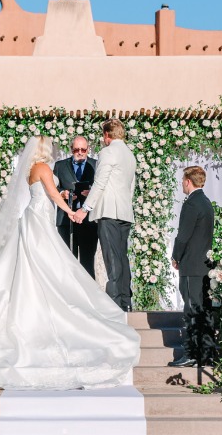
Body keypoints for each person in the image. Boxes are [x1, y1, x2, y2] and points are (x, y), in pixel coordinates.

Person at [0, 136, 141, 390]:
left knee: (38, 267)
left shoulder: (32, 170)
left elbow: (49, 192)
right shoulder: (44, 168)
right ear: (44, 150)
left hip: (36, 219)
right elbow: (51, 194)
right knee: (52, 267)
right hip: (39, 221)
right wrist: (70, 210)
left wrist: (62, 197)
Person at [82, 119, 136, 311]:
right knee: (122, 256)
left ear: (107, 135)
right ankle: (125, 301)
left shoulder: (108, 152)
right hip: (124, 212)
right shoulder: (130, 155)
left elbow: (101, 182)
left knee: (111, 258)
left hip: (109, 212)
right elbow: (129, 187)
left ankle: (114, 303)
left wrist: (85, 208)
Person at [169, 165, 215, 368]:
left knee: (191, 310)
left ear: (188, 181)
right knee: (202, 309)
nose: (182, 184)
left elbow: (183, 235)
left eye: (182, 181)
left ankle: (190, 353)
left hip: (191, 265)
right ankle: (206, 353)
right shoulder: (206, 203)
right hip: (203, 266)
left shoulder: (191, 204)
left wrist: (175, 256)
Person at [53, 136, 98, 277]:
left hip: (88, 221)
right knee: (66, 262)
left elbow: (102, 188)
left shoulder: (96, 165)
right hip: (66, 220)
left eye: (83, 149)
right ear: (71, 149)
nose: (80, 152)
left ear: (88, 149)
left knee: (87, 263)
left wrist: (91, 193)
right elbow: (54, 188)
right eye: (76, 149)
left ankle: (90, 297)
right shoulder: (60, 165)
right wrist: (62, 193)